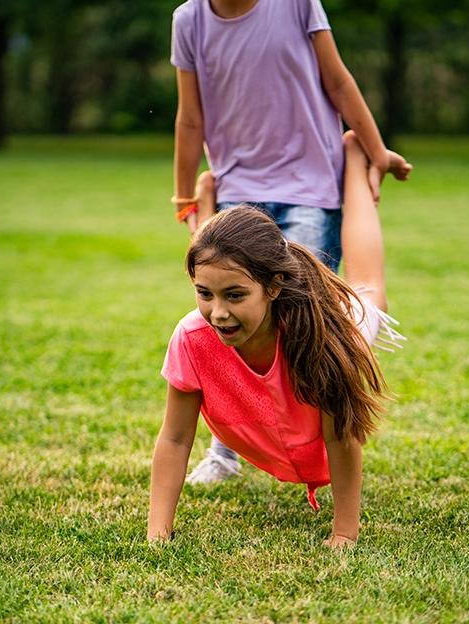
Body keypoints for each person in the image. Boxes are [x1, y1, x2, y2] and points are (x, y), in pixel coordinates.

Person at [168, 0, 409, 484]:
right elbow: (190, 118)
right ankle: (226, 451)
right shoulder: (189, 20)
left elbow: (338, 80)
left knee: (293, 318)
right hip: (239, 186)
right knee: (233, 313)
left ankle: (310, 437)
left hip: (308, 188)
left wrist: (376, 150)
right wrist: (184, 195)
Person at [148, 132, 403, 547]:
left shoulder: (326, 338)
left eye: (235, 296)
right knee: (218, 261)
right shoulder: (193, 335)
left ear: (274, 286)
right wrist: (158, 534)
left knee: (370, 286)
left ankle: (355, 159)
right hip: (239, 267)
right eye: (202, 293)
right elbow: (175, 439)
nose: (218, 313)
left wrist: (344, 533)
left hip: (342, 323)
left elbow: (340, 438)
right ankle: (207, 214)